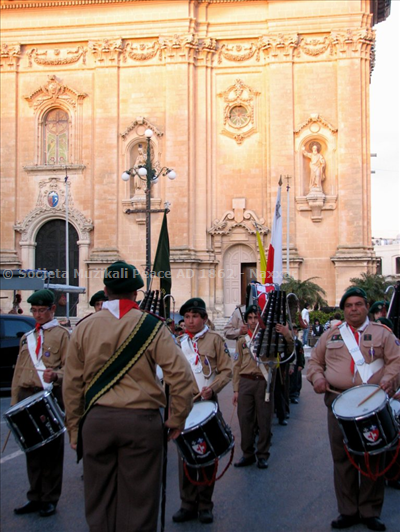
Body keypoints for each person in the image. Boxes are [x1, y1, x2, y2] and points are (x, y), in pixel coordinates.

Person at [63, 261, 194, 532]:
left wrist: (75, 429)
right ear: (136, 293)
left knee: (98, 501)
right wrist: (177, 418)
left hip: (97, 422)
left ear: (105, 290)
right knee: (140, 504)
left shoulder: (84, 328)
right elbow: (181, 377)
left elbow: (72, 384)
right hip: (141, 423)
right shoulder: (153, 326)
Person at [307, 287, 400, 532]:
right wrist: (316, 378)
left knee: (372, 458)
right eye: (349, 305)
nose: (354, 309)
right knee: (342, 459)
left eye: (358, 304)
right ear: (344, 309)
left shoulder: (383, 334)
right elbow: (315, 361)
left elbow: (396, 360)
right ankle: (347, 511)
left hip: (373, 405)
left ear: (366, 307)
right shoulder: (331, 335)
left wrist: (391, 379)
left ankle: (370, 511)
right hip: (337, 403)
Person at [173, 297, 232, 525]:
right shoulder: (177, 343)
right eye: (186, 317)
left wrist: (213, 388)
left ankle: (205, 505)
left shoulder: (216, 340)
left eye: (194, 316)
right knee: (185, 456)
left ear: (204, 318)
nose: (189, 321)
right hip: (183, 406)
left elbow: (227, 370)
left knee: (207, 454)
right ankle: (187, 504)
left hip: (206, 404)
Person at [11, 289, 69, 518]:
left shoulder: (63, 335)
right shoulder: (27, 338)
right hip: (27, 396)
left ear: (52, 309)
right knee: (32, 450)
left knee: (51, 453)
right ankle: (34, 496)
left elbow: (72, 369)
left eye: (42, 310)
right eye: (34, 310)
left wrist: (56, 375)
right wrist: (15, 403)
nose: (37, 315)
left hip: (48, 397)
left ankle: (50, 498)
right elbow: (18, 374)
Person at [232, 305, 294, 467]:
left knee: (264, 419)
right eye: (250, 318)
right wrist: (236, 389)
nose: (253, 321)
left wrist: (287, 334)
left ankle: (262, 454)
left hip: (263, 381)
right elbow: (237, 365)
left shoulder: (271, 338)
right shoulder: (241, 341)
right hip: (245, 382)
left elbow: (289, 349)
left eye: (256, 317)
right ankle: (247, 453)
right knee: (245, 419)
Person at [289, 325, 305, 404]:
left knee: (296, 380)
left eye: (295, 330)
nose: (294, 331)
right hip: (289, 363)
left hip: (296, 363)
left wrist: (301, 364)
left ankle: (294, 395)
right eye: (293, 329)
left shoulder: (298, 343)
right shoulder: (288, 340)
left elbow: (301, 354)